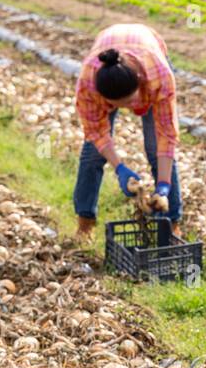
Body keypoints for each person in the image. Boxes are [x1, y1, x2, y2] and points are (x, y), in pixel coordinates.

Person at [73, 24, 181, 245]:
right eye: (118, 105)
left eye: (131, 102)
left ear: (139, 84)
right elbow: (96, 131)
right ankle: (85, 224)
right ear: (105, 99)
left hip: (147, 49)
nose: (129, 108)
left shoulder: (157, 76)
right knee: (93, 154)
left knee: (154, 149)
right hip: (108, 52)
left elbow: (166, 134)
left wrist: (163, 185)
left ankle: (171, 224)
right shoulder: (88, 84)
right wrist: (119, 167)